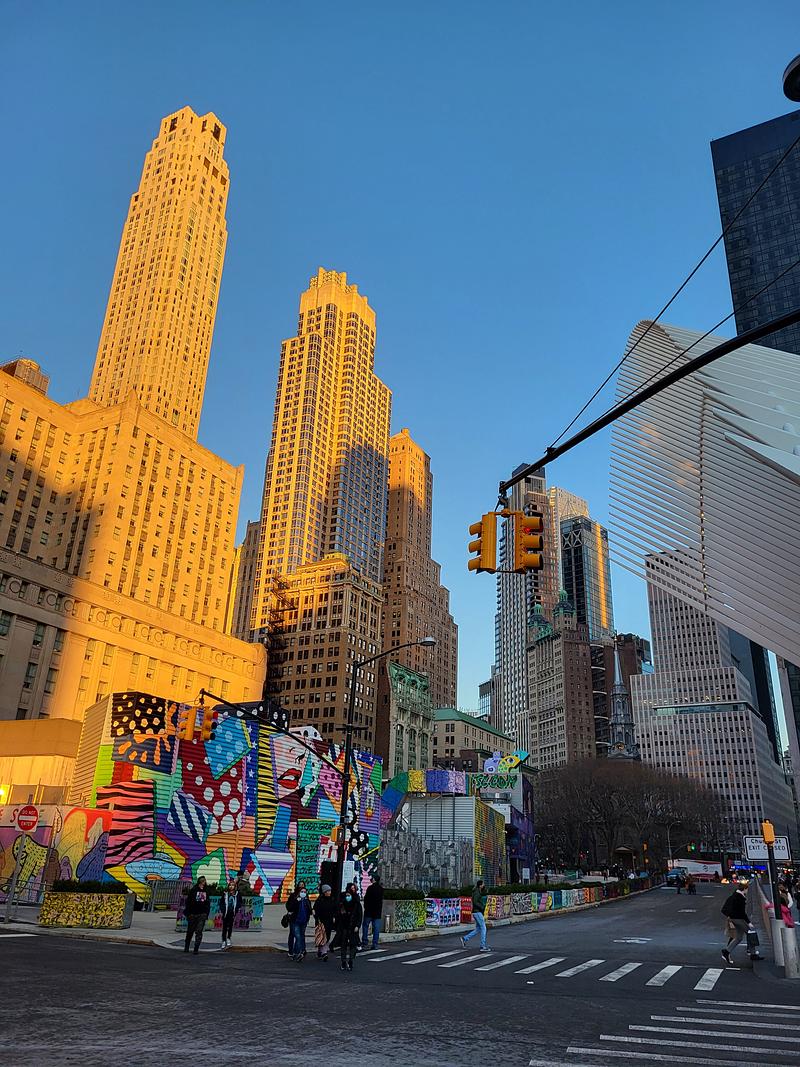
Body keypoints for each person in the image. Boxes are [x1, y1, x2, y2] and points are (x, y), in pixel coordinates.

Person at [721, 884, 751, 967]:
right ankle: (752, 952)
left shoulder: (734, 896)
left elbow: (724, 909)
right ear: (744, 889)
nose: (747, 891)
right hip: (738, 919)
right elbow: (742, 912)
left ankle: (726, 952)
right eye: (747, 889)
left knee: (739, 937)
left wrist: (730, 915)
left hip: (734, 919)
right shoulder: (739, 897)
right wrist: (748, 922)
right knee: (750, 933)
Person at [338, 882, 363, 971]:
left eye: (349, 895)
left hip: (353, 927)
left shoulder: (356, 903)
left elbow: (360, 915)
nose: (347, 897)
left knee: (353, 945)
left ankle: (351, 960)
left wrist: (357, 926)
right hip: (344, 926)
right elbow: (340, 915)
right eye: (347, 895)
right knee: (343, 945)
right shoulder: (343, 903)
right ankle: (343, 961)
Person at [184, 875, 211, 954]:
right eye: (202, 881)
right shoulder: (194, 890)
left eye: (204, 881)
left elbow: (207, 903)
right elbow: (189, 902)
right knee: (190, 931)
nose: (203, 883)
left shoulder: (206, 891)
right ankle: (187, 946)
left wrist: (206, 913)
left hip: (202, 914)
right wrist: (188, 913)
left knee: (199, 931)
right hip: (193, 913)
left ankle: (196, 947)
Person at [461, 879, 490, 953]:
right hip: (477, 912)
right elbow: (475, 902)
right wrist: (482, 907)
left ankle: (465, 938)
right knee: (484, 928)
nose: (484, 885)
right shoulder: (477, 892)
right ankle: (482, 946)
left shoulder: (477, 891)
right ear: (480, 885)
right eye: (483, 884)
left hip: (476, 912)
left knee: (478, 929)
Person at [288, 881, 312, 962]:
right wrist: (296, 901)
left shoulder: (306, 900)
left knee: (301, 937)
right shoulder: (295, 898)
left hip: (303, 921)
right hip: (295, 921)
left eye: (304, 892)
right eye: (302, 891)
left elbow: (309, 910)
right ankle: (297, 953)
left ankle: (297, 952)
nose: (303, 893)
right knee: (297, 937)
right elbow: (290, 907)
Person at [313, 883, 336, 961]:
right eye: (328, 891)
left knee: (327, 936)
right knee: (322, 936)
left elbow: (334, 909)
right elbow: (315, 910)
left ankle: (320, 951)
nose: (329, 892)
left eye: (330, 891)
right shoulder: (320, 900)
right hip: (321, 922)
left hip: (329, 921)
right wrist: (317, 918)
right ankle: (324, 952)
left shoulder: (331, 899)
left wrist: (334, 917)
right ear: (324, 892)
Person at [361, 874, 384, 951]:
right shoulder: (381, 889)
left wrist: (366, 907)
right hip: (377, 912)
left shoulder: (370, 888)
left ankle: (365, 941)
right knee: (376, 928)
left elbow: (366, 899)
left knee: (365, 926)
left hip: (369, 911)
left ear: (374, 879)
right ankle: (375, 944)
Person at [220, 877, 241, 950]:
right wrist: (223, 910)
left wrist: (237, 909)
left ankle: (228, 938)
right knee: (224, 927)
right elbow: (221, 902)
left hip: (232, 912)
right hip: (226, 912)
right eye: (230, 885)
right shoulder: (225, 893)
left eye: (233, 885)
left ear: (235, 886)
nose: (231, 887)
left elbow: (239, 902)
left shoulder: (237, 894)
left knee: (230, 927)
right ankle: (223, 941)